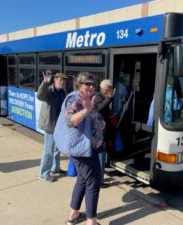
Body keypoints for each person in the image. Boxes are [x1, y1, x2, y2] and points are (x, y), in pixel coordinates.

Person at [65, 72, 103, 225]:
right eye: (87, 83)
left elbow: (92, 119)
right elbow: (70, 121)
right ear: (79, 84)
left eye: (93, 84)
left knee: (82, 179)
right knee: (93, 182)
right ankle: (91, 221)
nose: (91, 86)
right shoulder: (75, 98)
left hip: (86, 146)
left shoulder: (88, 99)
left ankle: (74, 214)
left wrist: (100, 126)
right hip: (82, 149)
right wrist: (87, 110)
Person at [37, 71, 68, 182]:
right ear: (54, 80)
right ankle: (43, 173)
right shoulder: (49, 91)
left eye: (63, 81)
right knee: (48, 151)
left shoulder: (62, 92)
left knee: (56, 149)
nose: (62, 82)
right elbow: (39, 96)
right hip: (50, 125)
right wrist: (45, 83)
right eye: (60, 80)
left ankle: (55, 168)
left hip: (58, 126)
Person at [95, 79, 115, 187]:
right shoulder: (97, 96)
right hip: (99, 131)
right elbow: (99, 108)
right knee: (100, 156)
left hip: (104, 129)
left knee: (102, 155)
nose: (110, 90)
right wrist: (109, 98)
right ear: (104, 88)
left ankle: (100, 178)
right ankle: (99, 181)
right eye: (109, 88)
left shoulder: (104, 96)